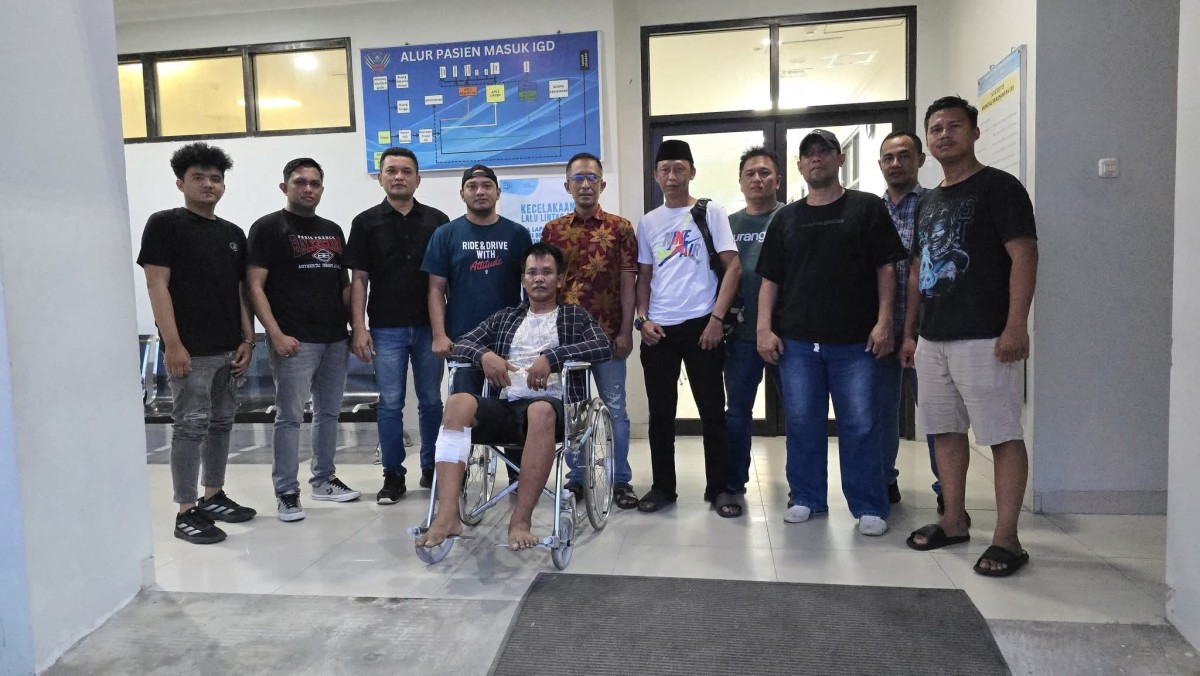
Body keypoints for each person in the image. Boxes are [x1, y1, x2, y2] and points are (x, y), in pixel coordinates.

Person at [900, 96, 1038, 577]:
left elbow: (1024, 255)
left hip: (986, 336)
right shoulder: (929, 201)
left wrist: (1016, 325)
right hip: (934, 338)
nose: (944, 134)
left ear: (974, 133)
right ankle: (954, 520)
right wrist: (911, 332)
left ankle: (1007, 538)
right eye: (936, 128)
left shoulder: (1000, 187)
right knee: (944, 432)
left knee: (1001, 435)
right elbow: (917, 270)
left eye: (953, 126)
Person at [757, 129, 907, 536]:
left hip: (856, 343)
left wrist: (885, 322)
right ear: (800, 166)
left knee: (860, 425)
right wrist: (764, 329)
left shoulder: (866, 208)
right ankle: (807, 497)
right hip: (798, 344)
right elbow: (770, 279)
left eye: (824, 151)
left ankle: (869, 505)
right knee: (802, 424)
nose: (816, 158)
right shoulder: (785, 218)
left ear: (839, 159)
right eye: (809, 154)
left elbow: (887, 269)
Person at [415, 242, 612, 550]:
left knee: (539, 410)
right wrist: (484, 356)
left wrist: (552, 358)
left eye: (547, 272)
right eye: (532, 272)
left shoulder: (575, 317)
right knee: (456, 403)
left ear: (560, 279)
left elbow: (602, 346)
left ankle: (520, 520)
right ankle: (447, 514)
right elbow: (463, 343)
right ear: (523, 279)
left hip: (555, 409)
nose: (539, 278)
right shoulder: (505, 318)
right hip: (507, 405)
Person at [137, 141, 256, 545]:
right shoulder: (165, 224)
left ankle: (213, 495)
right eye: (198, 177)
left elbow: (240, 291)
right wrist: (173, 344)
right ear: (180, 183)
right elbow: (157, 285)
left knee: (221, 423)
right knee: (189, 427)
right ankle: (186, 510)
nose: (208, 184)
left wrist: (248, 339)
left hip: (229, 349)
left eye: (215, 179)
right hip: (190, 351)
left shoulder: (232, 234)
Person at [634, 139, 743, 518]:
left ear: (692, 172)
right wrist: (642, 319)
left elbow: (733, 267)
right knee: (661, 414)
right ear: (655, 176)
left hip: (703, 326)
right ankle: (663, 486)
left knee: (712, 411)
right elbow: (644, 276)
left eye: (679, 168)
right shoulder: (648, 222)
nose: (672, 176)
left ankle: (720, 488)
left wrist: (716, 319)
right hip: (659, 330)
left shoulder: (711, 211)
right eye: (665, 170)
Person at [247, 158, 359, 523]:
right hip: (294, 340)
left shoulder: (332, 230)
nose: (308, 189)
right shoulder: (267, 227)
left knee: (328, 413)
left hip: (335, 339)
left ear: (322, 189)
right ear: (285, 187)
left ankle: (323, 480)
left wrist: (356, 328)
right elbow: (254, 286)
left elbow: (344, 286)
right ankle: (286, 491)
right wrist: (274, 334)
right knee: (290, 417)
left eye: (314, 183)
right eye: (300, 182)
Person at [345, 147, 450, 503]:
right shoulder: (365, 223)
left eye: (406, 171)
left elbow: (445, 279)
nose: (399, 176)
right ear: (380, 178)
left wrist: (446, 329)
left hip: (429, 328)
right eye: (391, 171)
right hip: (385, 327)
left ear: (418, 179)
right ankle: (393, 474)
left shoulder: (438, 221)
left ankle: (432, 468)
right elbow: (359, 279)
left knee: (431, 401)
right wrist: (359, 328)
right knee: (390, 403)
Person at [541, 152, 639, 509]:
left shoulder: (620, 228)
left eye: (592, 178)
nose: (585, 184)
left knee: (615, 409)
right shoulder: (553, 230)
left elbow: (628, 282)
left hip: (609, 336)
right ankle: (578, 478)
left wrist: (626, 331)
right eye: (578, 178)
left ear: (603, 184)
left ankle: (620, 479)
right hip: (566, 340)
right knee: (573, 411)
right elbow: (545, 284)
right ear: (568, 186)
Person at [422, 165, 533, 394]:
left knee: (507, 405)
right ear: (462, 194)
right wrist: (439, 335)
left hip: (508, 338)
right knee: (464, 406)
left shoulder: (518, 234)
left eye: (487, 186)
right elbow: (435, 289)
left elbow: (530, 288)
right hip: (461, 340)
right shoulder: (445, 234)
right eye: (472, 186)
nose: (480, 191)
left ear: (498, 192)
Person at [875, 131, 937, 506]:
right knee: (881, 413)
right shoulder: (871, 210)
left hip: (927, 331)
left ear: (920, 160)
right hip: (880, 329)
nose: (896, 163)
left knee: (936, 414)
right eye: (889, 157)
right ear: (880, 164)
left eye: (904, 155)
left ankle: (947, 490)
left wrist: (913, 330)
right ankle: (884, 482)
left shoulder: (935, 204)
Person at [724, 146, 785, 498]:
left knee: (799, 413)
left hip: (786, 334)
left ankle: (803, 490)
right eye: (750, 173)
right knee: (737, 412)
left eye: (765, 172)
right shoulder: (729, 224)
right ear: (740, 181)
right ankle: (734, 483)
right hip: (740, 336)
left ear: (778, 179)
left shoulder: (789, 217)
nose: (757, 179)